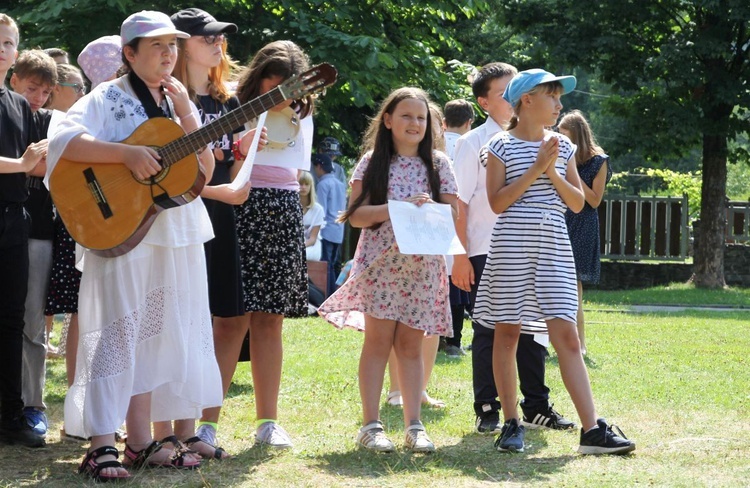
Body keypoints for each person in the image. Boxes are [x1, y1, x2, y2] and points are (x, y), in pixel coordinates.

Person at [47, 11, 223, 480]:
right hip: (121, 225)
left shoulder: (175, 101)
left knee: (160, 329)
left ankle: (142, 440)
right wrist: (125, 154)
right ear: (129, 53)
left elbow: (204, 169)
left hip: (175, 227)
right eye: (156, 47)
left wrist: (187, 112)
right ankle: (103, 440)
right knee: (118, 328)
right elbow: (62, 140)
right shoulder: (106, 96)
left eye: (172, 47)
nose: (168, 55)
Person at [473, 68, 635, 455]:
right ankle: (512, 423)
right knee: (507, 332)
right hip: (512, 243)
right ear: (526, 100)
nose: (560, 105)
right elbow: (496, 202)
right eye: (553, 97)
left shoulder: (562, 146)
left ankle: (592, 429)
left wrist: (551, 170)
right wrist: (534, 170)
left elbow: (577, 202)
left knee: (567, 335)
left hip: (554, 246)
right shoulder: (500, 145)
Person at [318, 87, 458, 453]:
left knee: (411, 345)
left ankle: (415, 426)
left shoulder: (439, 163)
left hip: (422, 268)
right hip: (380, 266)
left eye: (421, 117)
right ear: (388, 120)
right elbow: (357, 217)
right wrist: (395, 207)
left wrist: (429, 209)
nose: (415, 123)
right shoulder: (372, 162)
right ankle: (370, 426)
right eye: (407, 116)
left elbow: (455, 214)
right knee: (378, 342)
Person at [451, 63, 575, 435]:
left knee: (536, 330)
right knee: (491, 331)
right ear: (485, 101)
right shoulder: (475, 142)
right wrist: (459, 254)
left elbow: (576, 199)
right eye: (502, 90)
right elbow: (460, 200)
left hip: (538, 245)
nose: (509, 96)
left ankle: (536, 405)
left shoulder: (550, 141)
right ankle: (490, 409)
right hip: (489, 244)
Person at [170, 7, 260, 460]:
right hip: (174, 220)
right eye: (207, 37)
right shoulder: (163, 99)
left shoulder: (230, 103)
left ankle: (206, 424)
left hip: (221, 221)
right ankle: (163, 428)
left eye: (221, 38)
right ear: (180, 43)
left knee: (230, 320)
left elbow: (238, 178)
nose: (218, 43)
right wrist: (218, 191)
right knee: (179, 322)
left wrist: (245, 156)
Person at [229, 40, 313, 449]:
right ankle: (205, 422)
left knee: (270, 319)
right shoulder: (231, 107)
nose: (283, 96)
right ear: (258, 78)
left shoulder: (304, 117)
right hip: (239, 206)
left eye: (290, 88)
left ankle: (267, 421)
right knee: (228, 319)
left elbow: (295, 173)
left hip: (280, 209)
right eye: (274, 85)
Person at [0, 14, 48, 448]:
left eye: (9, 43)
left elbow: (40, 162)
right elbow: (27, 161)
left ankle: (11, 415)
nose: (2, 48)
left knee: (12, 319)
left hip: (14, 218)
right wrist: (23, 164)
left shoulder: (17, 104)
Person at [10, 49, 58, 439]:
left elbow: (48, 166)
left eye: (45, 91)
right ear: (14, 79)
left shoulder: (47, 121)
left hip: (38, 230)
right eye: (31, 88)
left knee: (31, 322)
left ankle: (33, 405)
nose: (37, 98)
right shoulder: (8, 113)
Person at [558, 110, 611, 355]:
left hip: (583, 224)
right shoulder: (559, 155)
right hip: (560, 218)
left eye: (566, 137)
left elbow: (595, 200)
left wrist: (574, 176)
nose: (562, 141)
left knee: (574, 285)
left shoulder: (599, 161)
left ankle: (580, 344)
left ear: (577, 137)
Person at [42, 61, 85, 364]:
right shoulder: (47, 121)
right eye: (78, 87)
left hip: (72, 217)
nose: (84, 92)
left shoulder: (80, 120)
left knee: (78, 305)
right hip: (43, 219)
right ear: (57, 90)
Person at [441, 98, 474, 358]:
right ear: (469, 122)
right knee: (458, 285)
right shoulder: (472, 143)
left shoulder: (434, 145)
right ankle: (454, 340)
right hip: (459, 219)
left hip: (434, 221)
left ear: (443, 122)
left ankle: (435, 336)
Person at [312, 153, 346, 296]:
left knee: (326, 266)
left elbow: (321, 211)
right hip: (339, 230)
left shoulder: (323, 184)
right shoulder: (341, 184)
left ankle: (326, 295)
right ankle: (334, 295)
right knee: (332, 266)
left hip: (326, 230)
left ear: (319, 167)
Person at [299, 170, 325, 261]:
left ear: (311, 186)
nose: (303, 187)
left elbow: (313, 238)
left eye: (306, 184)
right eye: (300, 184)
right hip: (293, 244)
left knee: (301, 255)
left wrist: (299, 247)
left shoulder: (318, 209)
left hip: (311, 246)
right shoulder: (290, 207)